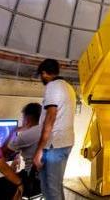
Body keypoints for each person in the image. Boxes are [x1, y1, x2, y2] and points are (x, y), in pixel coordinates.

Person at [33, 59, 76, 200]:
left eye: (41, 75)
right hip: (64, 142)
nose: (42, 78)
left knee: (51, 188)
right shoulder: (68, 87)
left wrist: (39, 150)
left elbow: (50, 117)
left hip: (54, 145)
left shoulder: (52, 86)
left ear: (44, 73)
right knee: (51, 186)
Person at [3, 103, 42, 196]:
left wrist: (13, 131)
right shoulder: (47, 129)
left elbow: (3, 153)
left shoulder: (27, 135)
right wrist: (18, 155)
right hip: (47, 180)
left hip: (32, 182)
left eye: (23, 118)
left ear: (27, 119)